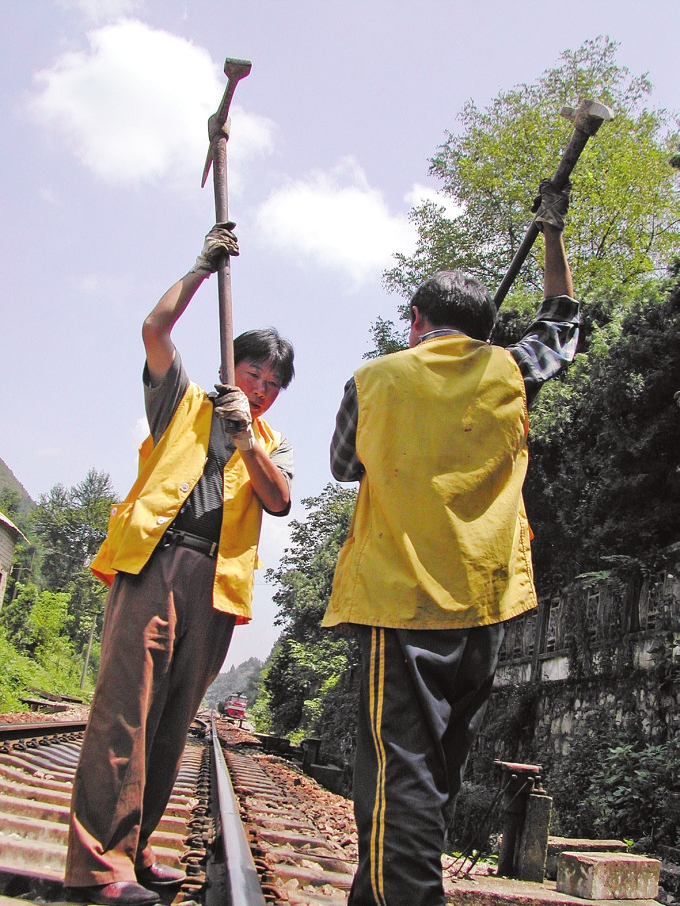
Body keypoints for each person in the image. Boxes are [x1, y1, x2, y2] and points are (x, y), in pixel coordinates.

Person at [322, 181, 579, 906]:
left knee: (400, 778)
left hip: (400, 606)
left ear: (416, 320)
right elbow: (563, 319)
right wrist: (552, 234)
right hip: (484, 610)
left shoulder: (374, 379)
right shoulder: (512, 369)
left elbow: (344, 466)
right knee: (434, 775)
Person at [64, 224, 295, 906]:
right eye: (253, 373)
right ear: (233, 364)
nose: (260, 388)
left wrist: (247, 439)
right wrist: (200, 269)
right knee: (123, 716)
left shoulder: (266, 439)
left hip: (215, 591)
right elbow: (154, 329)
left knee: (171, 724)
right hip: (155, 567)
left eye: (273, 384)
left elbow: (279, 500)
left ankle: (132, 853)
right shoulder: (185, 402)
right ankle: (97, 868)